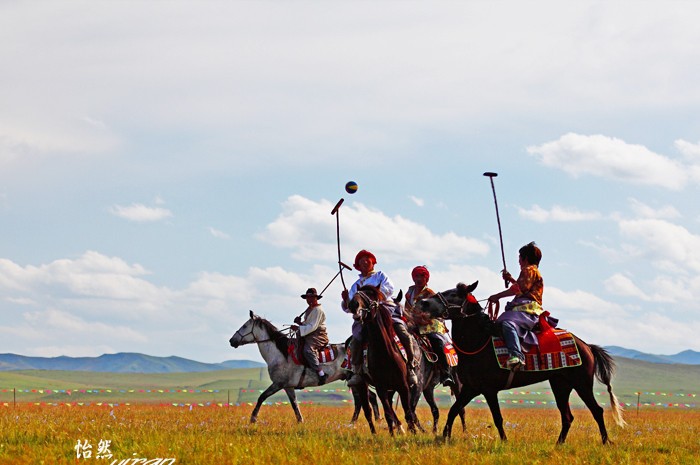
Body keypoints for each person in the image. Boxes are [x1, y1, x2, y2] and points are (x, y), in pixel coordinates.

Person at [341, 249, 417, 387]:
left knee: (403, 334)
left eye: (367, 259)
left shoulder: (381, 276)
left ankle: (411, 367)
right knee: (355, 341)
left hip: (385, 312)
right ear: (358, 265)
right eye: (361, 260)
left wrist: (373, 298)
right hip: (365, 318)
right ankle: (357, 372)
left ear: (373, 262)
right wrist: (346, 300)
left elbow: (389, 289)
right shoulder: (355, 285)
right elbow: (349, 308)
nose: (365, 261)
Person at [487, 241, 558, 370]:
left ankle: (516, 355)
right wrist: (510, 279)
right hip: (524, 308)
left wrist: (497, 296)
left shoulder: (528, 270)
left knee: (507, 323)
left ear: (525, 258)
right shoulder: (532, 271)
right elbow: (522, 288)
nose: (518, 261)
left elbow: (517, 289)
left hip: (527, 311)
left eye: (520, 258)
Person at [405, 265, 455, 388]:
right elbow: (406, 308)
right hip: (412, 324)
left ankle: (446, 373)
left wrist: (421, 318)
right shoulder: (409, 292)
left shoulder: (430, 293)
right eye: (416, 276)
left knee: (436, 341)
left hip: (430, 324)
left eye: (422, 276)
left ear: (426, 278)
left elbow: (435, 311)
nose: (419, 279)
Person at [291, 288, 330, 385]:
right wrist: (299, 323)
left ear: (316, 298)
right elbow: (308, 324)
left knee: (308, 350)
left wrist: (298, 328)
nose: (308, 300)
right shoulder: (310, 309)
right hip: (310, 332)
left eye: (311, 297)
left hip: (318, 335)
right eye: (307, 298)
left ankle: (321, 374)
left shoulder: (318, 310)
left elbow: (313, 326)